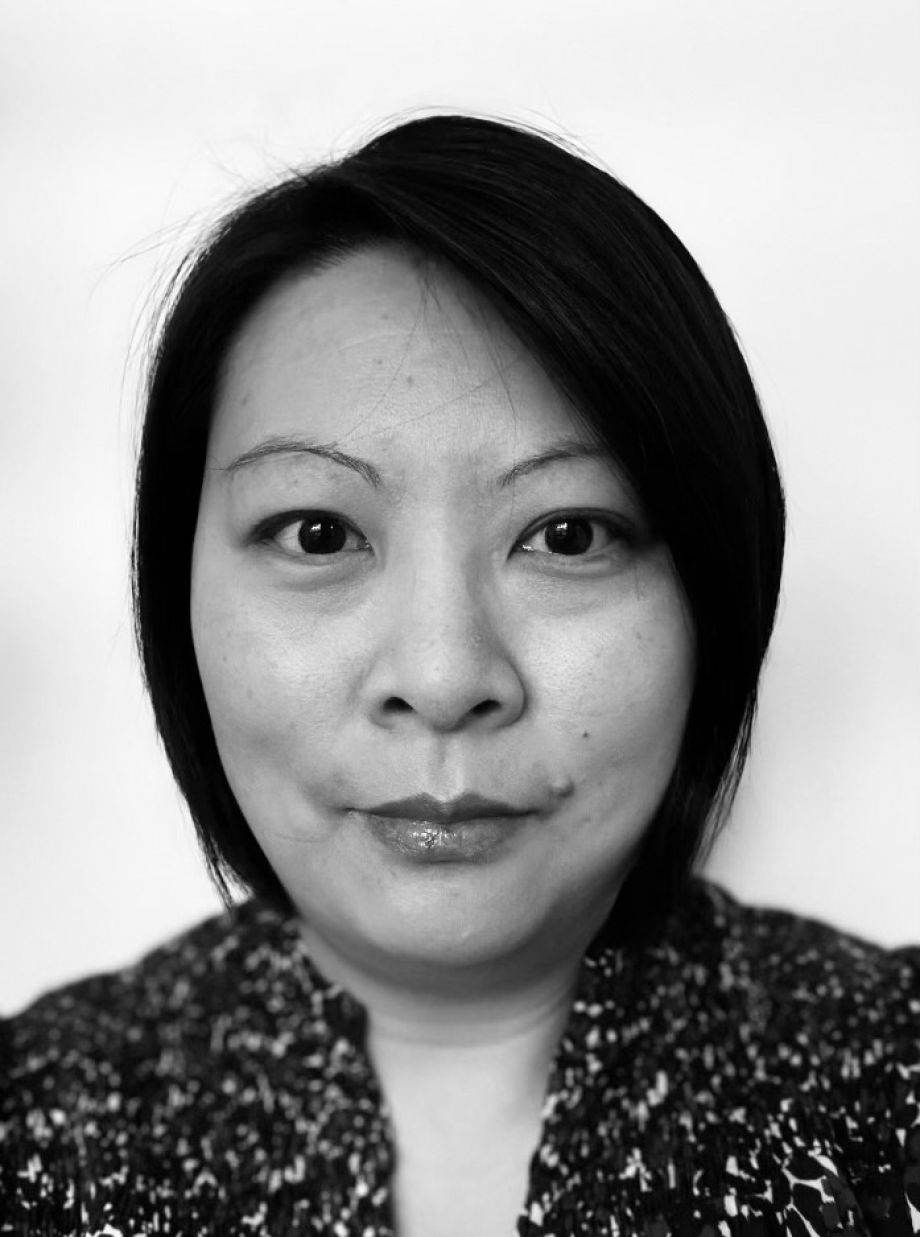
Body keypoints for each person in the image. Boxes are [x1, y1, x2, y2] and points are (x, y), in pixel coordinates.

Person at [1, 113, 917, 1237]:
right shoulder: (33, 1131)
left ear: (716, 591)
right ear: (174, 588)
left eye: (568, 534)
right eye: (319, 533)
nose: (441, 678)